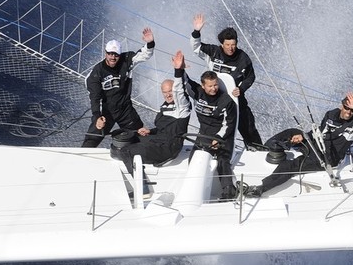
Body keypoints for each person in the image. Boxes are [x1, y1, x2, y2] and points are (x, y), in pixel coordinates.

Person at [238, 92, 353, 197]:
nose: (349, 112)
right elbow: (320, 132)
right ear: (342, 106)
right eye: (347, 108)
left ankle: (261, 188)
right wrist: (303, 136)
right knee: (293, 132)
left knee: (291, 165)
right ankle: (267, 149)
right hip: (316, 145)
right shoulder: (331, 114)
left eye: (352, 111)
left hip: (327, 158)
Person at [113, 51, 192, 181]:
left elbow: (179, 91)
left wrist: (178, 71)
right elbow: (162, 129)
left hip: (168, 148)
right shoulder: (165, 107)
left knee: (125, 151)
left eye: (170, 92)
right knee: (129, 140)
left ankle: (142, 186)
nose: (168, 95)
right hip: (159, 140)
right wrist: (150, 131)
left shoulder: (182, 107)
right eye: (164, 92)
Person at [190, 13, 265, 150]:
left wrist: (241, 89)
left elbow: (250, 77)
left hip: (235, 97)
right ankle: (209, 148)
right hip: (215, 97)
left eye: (233, 44)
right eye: (228, 45)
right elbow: (196, 48)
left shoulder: (243, 58)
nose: (231, 48)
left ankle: (258, 149)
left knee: (248, 125)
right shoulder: (213, 52)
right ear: (221, 44)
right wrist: (196, 31)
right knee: (215, 125)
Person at [178, 53, 239, 200]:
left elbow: (229, 124)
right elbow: (185, 81)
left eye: (216, 84)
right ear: (203, 86)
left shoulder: (226, 101)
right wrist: (179, 68)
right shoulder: (197, 93)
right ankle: (195, 193)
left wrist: (218, 138)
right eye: (210, 86)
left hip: (222, 136)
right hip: (204, 134)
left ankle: (229, 191)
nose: (214, 88)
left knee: (223, 161)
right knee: (193, 160)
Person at [81, 27, 154, 147]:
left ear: (120, 55)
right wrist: (97, 116)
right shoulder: (96, 73)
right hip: (105, 112)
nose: (112, 57)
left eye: (116, 55)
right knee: (90, 142)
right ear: (105, 53)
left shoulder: (127, 60)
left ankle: (146, 157)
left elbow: (144, 55)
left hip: (125, 110)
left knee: (141, 137)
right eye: (110, 54)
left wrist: (150, 43)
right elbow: (95, 97)